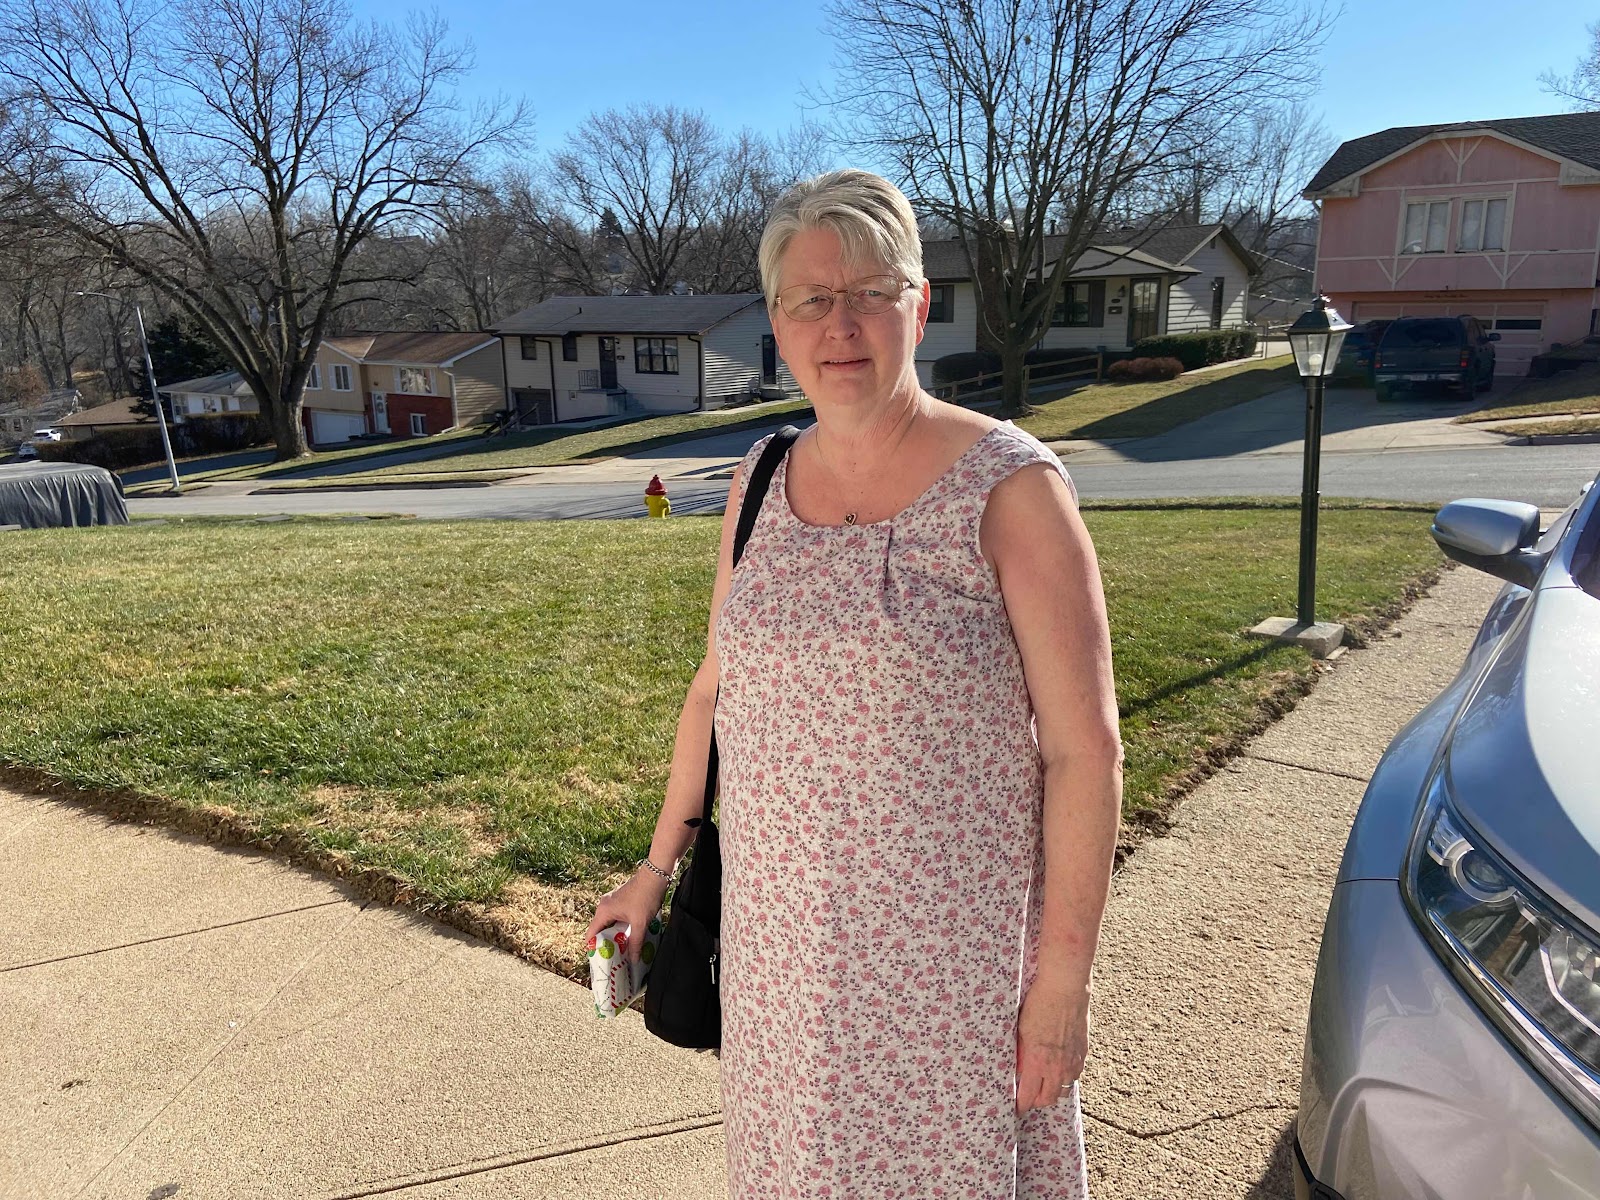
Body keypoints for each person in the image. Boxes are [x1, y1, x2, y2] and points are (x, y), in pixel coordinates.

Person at [587, 169, 1122, 1198]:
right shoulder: (758, 478)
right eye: (811, 299)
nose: (841, 325)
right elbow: (713, 694)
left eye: (871, 293)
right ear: (777, 325)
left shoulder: (1010, 487)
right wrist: (650, 875)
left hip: (946, 981)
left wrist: (1061, 989)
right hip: (778, 963)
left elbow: (1083, 752)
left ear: (917, 309)